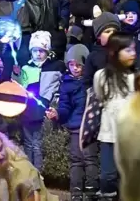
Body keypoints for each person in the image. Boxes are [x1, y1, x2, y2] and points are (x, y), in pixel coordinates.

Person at [48, 44, 98, 201]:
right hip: (76, 127)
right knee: (76, 161)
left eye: (79, 65)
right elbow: (64, 106)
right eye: (71, 65)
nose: (75, 68)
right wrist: (57, 114)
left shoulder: (91, 82)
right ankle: (76, 193)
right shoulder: (67, 84)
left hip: (90, 127)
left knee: (90, 160)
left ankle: (91, 192)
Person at [93, 33, 136, 199]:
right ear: (114, 52)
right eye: (127, 49)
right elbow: (100, 97)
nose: (133, 53)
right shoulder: (101, 76)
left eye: (133, 49)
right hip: (108, 135)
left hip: (130, 137)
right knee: (108, 177)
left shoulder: (135, 78)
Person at [15, 31, 64, 170]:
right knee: (28, 142)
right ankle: (28, 170)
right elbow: (21, 85)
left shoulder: (55, 67)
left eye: (41, 51)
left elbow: (58, 85)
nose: (38, 54)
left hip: (41, 109)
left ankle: (37, 171)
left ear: (47, 51)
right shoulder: (26, 67)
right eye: (35, 50)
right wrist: (16, 74)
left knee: (36, 143)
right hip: (27, 109)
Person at [83, 13, 122, 90]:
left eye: (115, 31)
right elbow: (87, 83)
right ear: (98, 36)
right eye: (107, 31)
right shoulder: (93, 57)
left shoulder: (123, 52)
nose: (112, 34)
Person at [115, 0, 140, 70]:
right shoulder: (117, 35)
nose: (130, 16)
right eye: (127, 13)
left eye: (134, 13)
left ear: (138, 16)